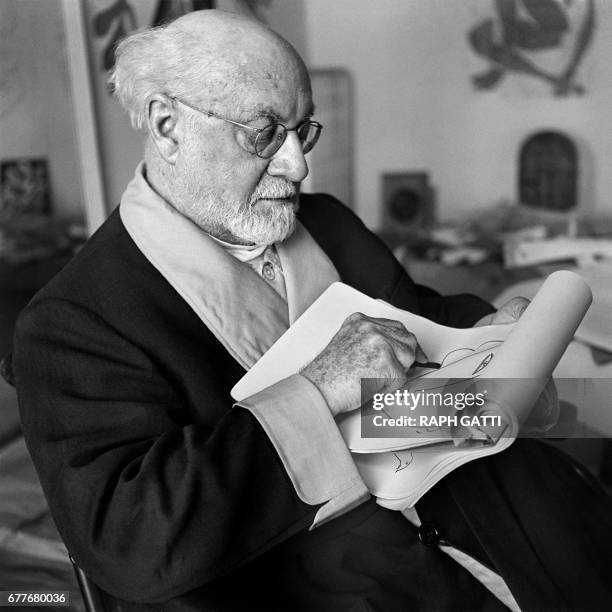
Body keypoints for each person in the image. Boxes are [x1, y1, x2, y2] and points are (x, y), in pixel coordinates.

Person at [13, 9, 612, 612]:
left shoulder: (326, 223)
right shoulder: (72, 324)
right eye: (265, 133)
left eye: (303, 131)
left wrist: (484, 330)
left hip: (475, 507)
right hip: (317, 580)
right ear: (168, 126)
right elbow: (132, 540)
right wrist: (319, 389)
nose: (298, 165)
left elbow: (419, 317)